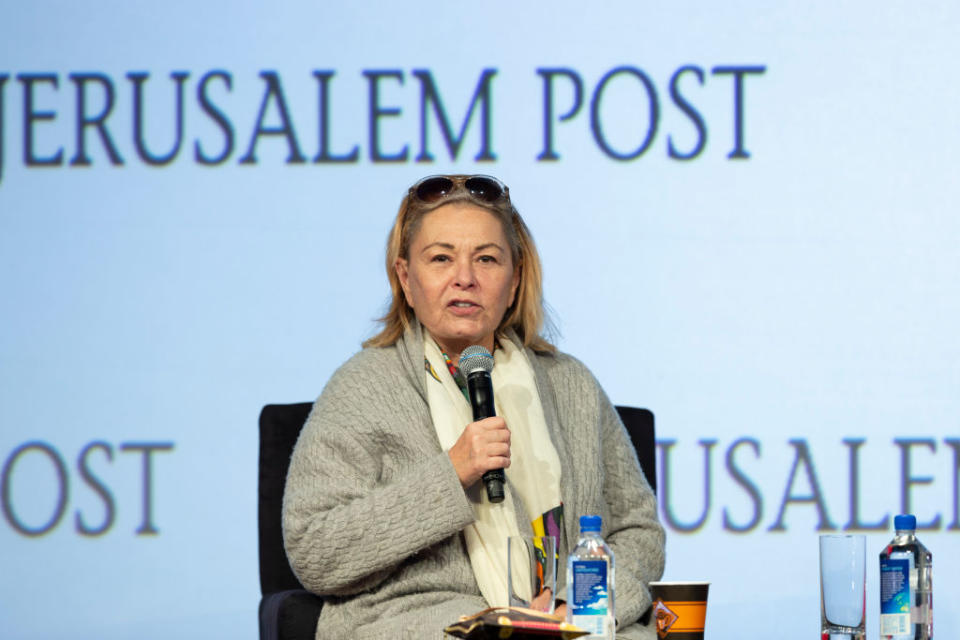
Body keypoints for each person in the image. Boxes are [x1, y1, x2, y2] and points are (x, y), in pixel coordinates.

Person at [282, 175, 664, 639]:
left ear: (515, 277)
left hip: (569, 620)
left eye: (486, 259)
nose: (465, 277)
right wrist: (452, 473)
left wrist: (576, 602)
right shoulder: (361, 388)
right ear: (405, 277)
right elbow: (316, 552)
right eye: (441, 258)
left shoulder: (572, 384)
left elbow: (638, 532)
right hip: (423, 621)